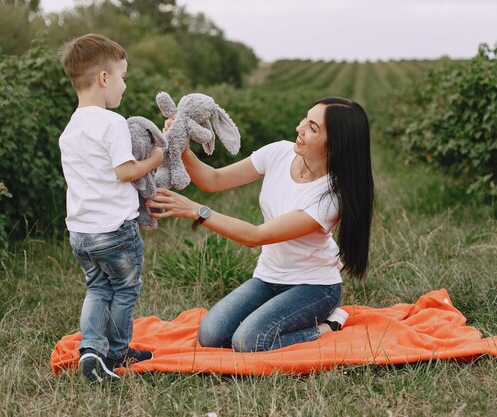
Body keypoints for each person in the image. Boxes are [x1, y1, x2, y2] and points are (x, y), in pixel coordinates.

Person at [148, 97, 374, 352]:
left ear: (335, 144)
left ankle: (327, 325)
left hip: (314, 287)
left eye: (313, 128)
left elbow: (255, 236)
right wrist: (182, 149)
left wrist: (195, 211)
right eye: (305, 118)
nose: (300, 128)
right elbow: (213, 180)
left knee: (249, 341)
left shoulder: (331, 197)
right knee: (210, 335)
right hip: (268, 277)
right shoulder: (279, 152)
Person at [58, 33, 163, 383]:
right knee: (125, 289)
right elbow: (125, 171)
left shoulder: (70, 129)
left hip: (80, 233)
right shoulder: (111, 122)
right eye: (122, 76)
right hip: (115, 231)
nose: (124, 84)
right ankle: (117, 352)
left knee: (97, 288)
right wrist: (155, 159)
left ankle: (90, 350)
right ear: (104, 78)